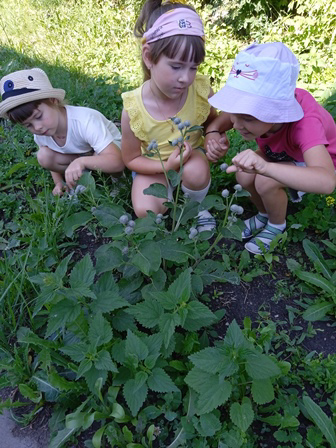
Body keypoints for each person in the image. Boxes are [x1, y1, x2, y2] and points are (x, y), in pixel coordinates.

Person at [206, 42, 336, 254]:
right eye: (234, 113)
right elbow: (228, 119)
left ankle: (277, 225)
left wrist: (265, 168)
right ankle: (264, 213)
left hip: (316, 163)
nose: (236, 125)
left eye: (247, 117)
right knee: (244, 175)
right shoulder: (251, 118)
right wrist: (213, 132)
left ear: (277, 111)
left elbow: (326, 181)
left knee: (265, 180)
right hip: (283, 154)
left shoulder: (305, 123)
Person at [121, 0, 228, 231]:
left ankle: (194, 207)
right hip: (153, 166)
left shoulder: (198, 90)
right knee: (145, 210)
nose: (186, 78)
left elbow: (213, 122)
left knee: (196, 171)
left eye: (193, 67)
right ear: (149, 57)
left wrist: (213, 135)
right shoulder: (133, 107)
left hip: (190, 161)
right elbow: (130, 159)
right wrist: (167, 166)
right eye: (177, 66)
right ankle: (168, 194)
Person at [0, 68, 125, 196]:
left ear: (53, 100)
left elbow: (117, 161)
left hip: (112, 151)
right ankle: (84, 176)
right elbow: (51, 157)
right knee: (43, 156)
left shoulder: (84, 120)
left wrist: (81, 162)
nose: (37, 127)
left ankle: (120, 181)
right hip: (83, 154)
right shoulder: (41, 134)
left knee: (103, 158)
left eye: (38, 116)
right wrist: (58, 182)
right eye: (28, 125)